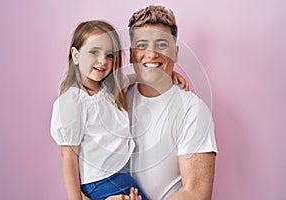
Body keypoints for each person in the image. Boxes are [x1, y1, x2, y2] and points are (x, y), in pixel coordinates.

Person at [50, 20, 187, 200]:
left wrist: (168, 73)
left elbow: (138, 76)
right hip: (102, 179)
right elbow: (68, 156)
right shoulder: (73, 101)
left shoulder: (110, 88)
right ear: (75, 55)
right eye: (93, 52)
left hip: (118, 174)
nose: (102, 61)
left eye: (109, 55)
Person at [126, 5, 218, 200]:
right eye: (142, 45)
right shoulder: (113, 99)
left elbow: (197, 194)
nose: (151, 54)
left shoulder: (192, 110)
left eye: (161, 45)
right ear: (132, 53)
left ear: (175, 53)